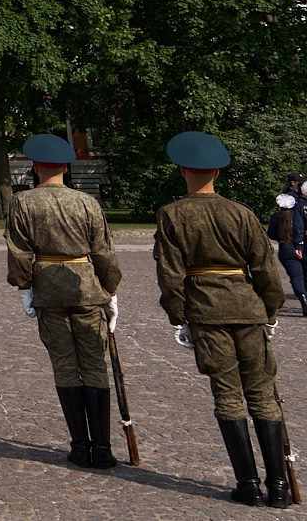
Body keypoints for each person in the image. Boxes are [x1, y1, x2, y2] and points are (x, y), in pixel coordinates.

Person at [155, 130, 294, 506]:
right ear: (217, 172)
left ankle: (248, 484)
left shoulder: (172, 214)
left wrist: (177, 314)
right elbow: (265, 268)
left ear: (184, 170)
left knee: (228, 396)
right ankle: (279, 487)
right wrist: (271, 308)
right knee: (263, 394)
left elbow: (169, 272)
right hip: (248, 308)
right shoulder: (241, 213)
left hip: (206, 311)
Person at [6, 133, 122, 469]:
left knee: (65, 366)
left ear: (36, 167)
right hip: (87, 288)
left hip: (48, 290)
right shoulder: (86, 203)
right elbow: (104, 251)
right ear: (66, 167)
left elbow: (19, 252)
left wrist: (24, 288)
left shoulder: (23, 203)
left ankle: (80, 444)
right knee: (95, 365)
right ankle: (101, 446)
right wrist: (111, 290)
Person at [268, 172, 307, 320]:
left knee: (296, 276)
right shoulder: (301, 210)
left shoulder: (277, 217)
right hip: (301, 244)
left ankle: (303, 298)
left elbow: (271, 234)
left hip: (286, 247)